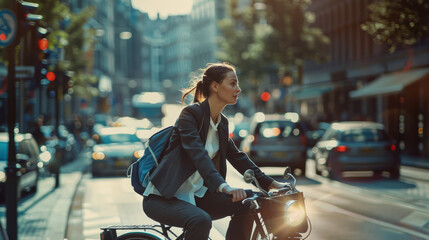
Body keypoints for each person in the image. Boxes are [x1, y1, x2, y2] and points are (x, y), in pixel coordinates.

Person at [142, 62, 286, 240]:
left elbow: (238, 157)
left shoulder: (222, 123)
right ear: (215, 86)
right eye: (233, 83)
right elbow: (198, 155)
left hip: (198, 197)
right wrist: (224, 187)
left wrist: (272, 184)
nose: (238, 89)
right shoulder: (190, 115)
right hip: (164, 198)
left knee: (250, 202)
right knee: (200, 220)